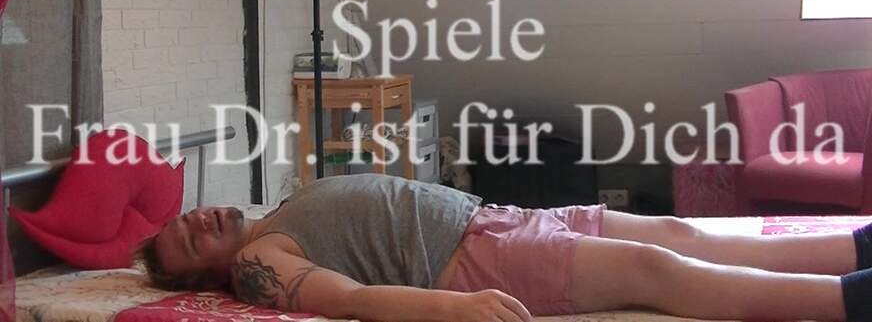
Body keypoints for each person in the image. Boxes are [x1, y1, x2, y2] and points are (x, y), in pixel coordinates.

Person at [141, 173, 872, 322]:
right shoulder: (258, 263)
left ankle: (855, 248)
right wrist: (453, 310)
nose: (196, 218)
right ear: (199, 275)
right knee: (657, 269)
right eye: (187, 239)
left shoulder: (274, 209)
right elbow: (354, 299)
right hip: (475, 260)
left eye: (184, 216)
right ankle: (848, 299)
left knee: (680, 231)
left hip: (501, 218)